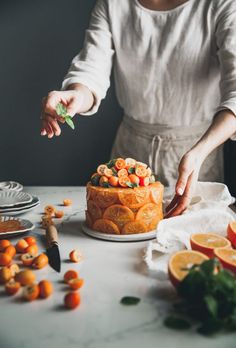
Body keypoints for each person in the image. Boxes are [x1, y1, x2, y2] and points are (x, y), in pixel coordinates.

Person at [40, 0, 236, 217]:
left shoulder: (222, 5)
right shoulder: (112, 4)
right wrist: (77, 95)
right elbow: (91, 67)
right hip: (130, 150)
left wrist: (199, 153)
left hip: (197, 154)